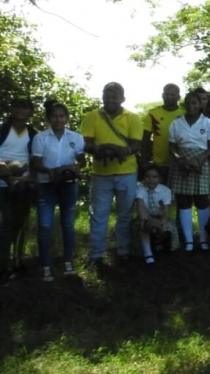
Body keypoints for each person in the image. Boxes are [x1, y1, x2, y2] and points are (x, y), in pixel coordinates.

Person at [81, 82, 143, 266]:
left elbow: (136, 145)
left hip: (127, 172)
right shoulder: (92, 116)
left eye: (115, 96)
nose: (110, 99)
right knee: (99, 215)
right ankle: (96, 254)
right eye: (107, 95)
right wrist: (101, 150)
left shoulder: (133, 118)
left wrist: (120, 150)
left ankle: (123, 250)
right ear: (102, 97)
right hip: (101, 174)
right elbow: (86, 143)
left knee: (125, 214)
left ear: (123, 99)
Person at [30, 100, 85, 280]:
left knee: (68, 224)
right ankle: (45, 265)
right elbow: (36, 163)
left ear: (67, 118)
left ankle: (68, 262)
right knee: (45, 225)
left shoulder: (75, 137)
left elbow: (81, 160)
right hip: (46, 185)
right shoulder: (40, 137)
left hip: (68, 184)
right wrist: (51, 171)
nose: (58, 120)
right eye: (54, 116)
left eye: (62, 116)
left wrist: (72, 168)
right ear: (49, 118)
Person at [169, 91, 210, 252]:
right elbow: (172, 146)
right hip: (181, 163)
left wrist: (199, 160)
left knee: (202, 201)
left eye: (195, 103)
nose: (191, 106)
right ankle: (189, 240)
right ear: (184, 104)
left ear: (200, 104)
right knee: (183, 201)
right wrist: (180, 160)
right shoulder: (176, 123)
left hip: (201, 161)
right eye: (188, 103)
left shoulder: (209, 123)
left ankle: (203, 239)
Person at [0, 96, 38, 281]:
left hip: (25, 184)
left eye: (25, 108)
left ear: (31, 112)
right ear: (12, 109)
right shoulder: (2, 129)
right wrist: (7, 174)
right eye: (17, 106)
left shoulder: (34, 134)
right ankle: (3, 265)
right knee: (4, 224)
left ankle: (19, 262)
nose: (20, 111)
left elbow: (36, 160)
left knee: (21, 225)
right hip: (2, 183)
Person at [133, 164, 176, 265]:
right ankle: (148, 253)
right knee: (142, 226)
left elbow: (166, 210)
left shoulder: (165, 190)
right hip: (146, 216)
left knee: (162, 228)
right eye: (147, 177)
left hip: (160, 217)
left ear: (160, 178)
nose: (151, 180)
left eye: (154, 177)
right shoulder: (140, 189)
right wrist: (144, 218)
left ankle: (161, 244)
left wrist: (162, 221)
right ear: (143, 178)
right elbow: (140, 205)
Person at [141, 83, 185, 181]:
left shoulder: (184, 113)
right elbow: (145, 138)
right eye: (166, 94)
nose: (169, 97)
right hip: (159, 164)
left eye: (172, 95)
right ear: (162, 95)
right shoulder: (153, 113)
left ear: (178, 97)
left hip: (180, 162)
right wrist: (144, 160)